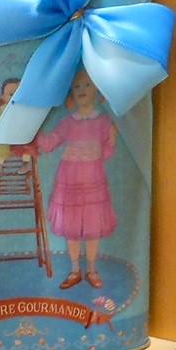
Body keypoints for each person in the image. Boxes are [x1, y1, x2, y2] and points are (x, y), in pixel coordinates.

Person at [32, 71, 118, 290]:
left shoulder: (104, 121)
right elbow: (50, 143)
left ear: (97, 90)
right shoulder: (68, 122)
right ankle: (74, 270)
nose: (81, 91)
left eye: (87, 86)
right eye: (77, 87)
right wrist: (33, 128)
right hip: (68, 182)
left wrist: (112, 137)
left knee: (92, 226)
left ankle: (91, 269)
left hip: (92, 180)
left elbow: (106, 153)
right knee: (71, 227)